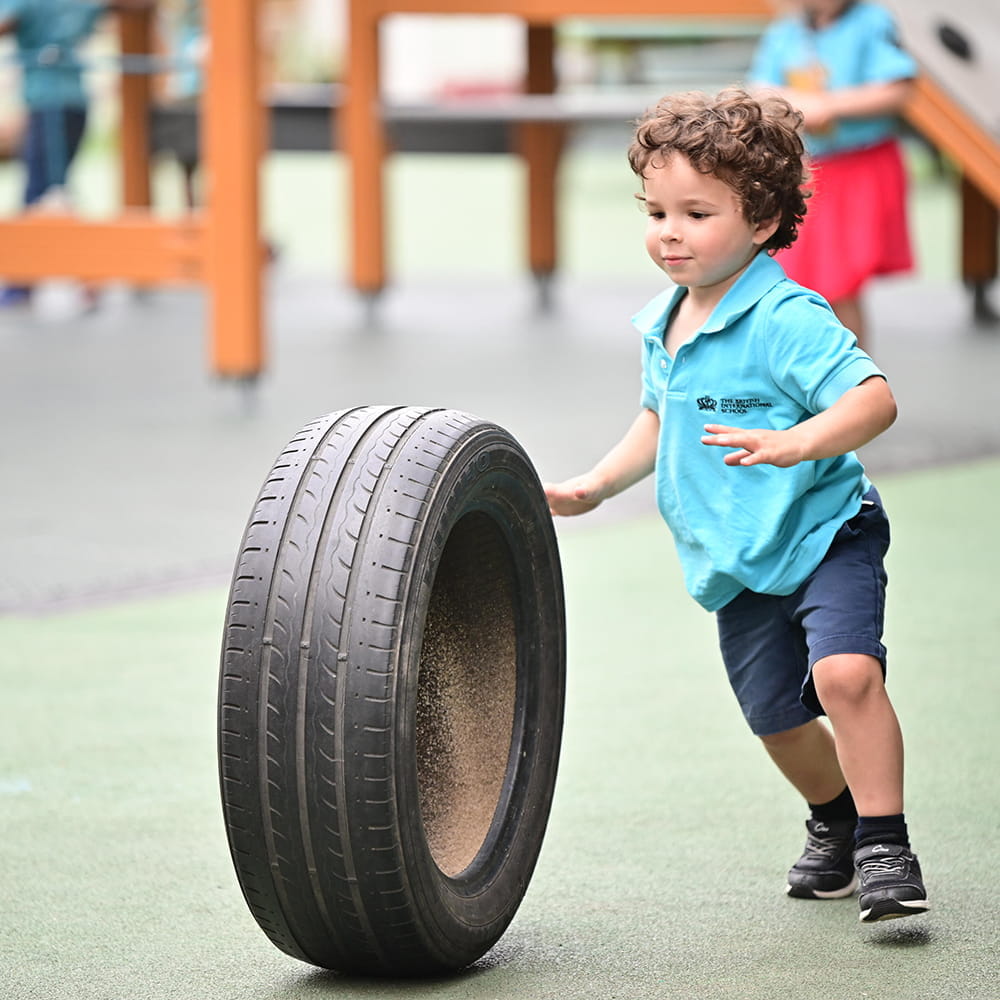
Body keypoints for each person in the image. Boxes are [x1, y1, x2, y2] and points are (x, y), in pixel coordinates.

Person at [545, 88, 929, 924]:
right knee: (776, 722)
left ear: (760, 221)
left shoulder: (787, 316)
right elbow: (660, 419)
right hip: (737, 556)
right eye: (656, 211)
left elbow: (874, 400)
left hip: (826, 531)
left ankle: (885, 841)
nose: (668, 232)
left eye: (695, 212)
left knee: (845, 675)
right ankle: (833, 822)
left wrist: (798, 442)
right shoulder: (664, 321)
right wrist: (594, 485)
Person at [747, 0, 917, 352]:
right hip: (806, 170)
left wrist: (829, 106)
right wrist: (800, 104)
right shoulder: (788, 31)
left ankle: (851, 381)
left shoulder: (871, 22)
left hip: (859, 165)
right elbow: (760, 90)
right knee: (796, 277)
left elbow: (898, 87)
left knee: (840, 282)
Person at [0, 0, 150, 308]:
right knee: (56, 188)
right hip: (73, 102)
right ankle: (76, 278)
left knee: (42, 192)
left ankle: (33, 279)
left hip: (48, 103)